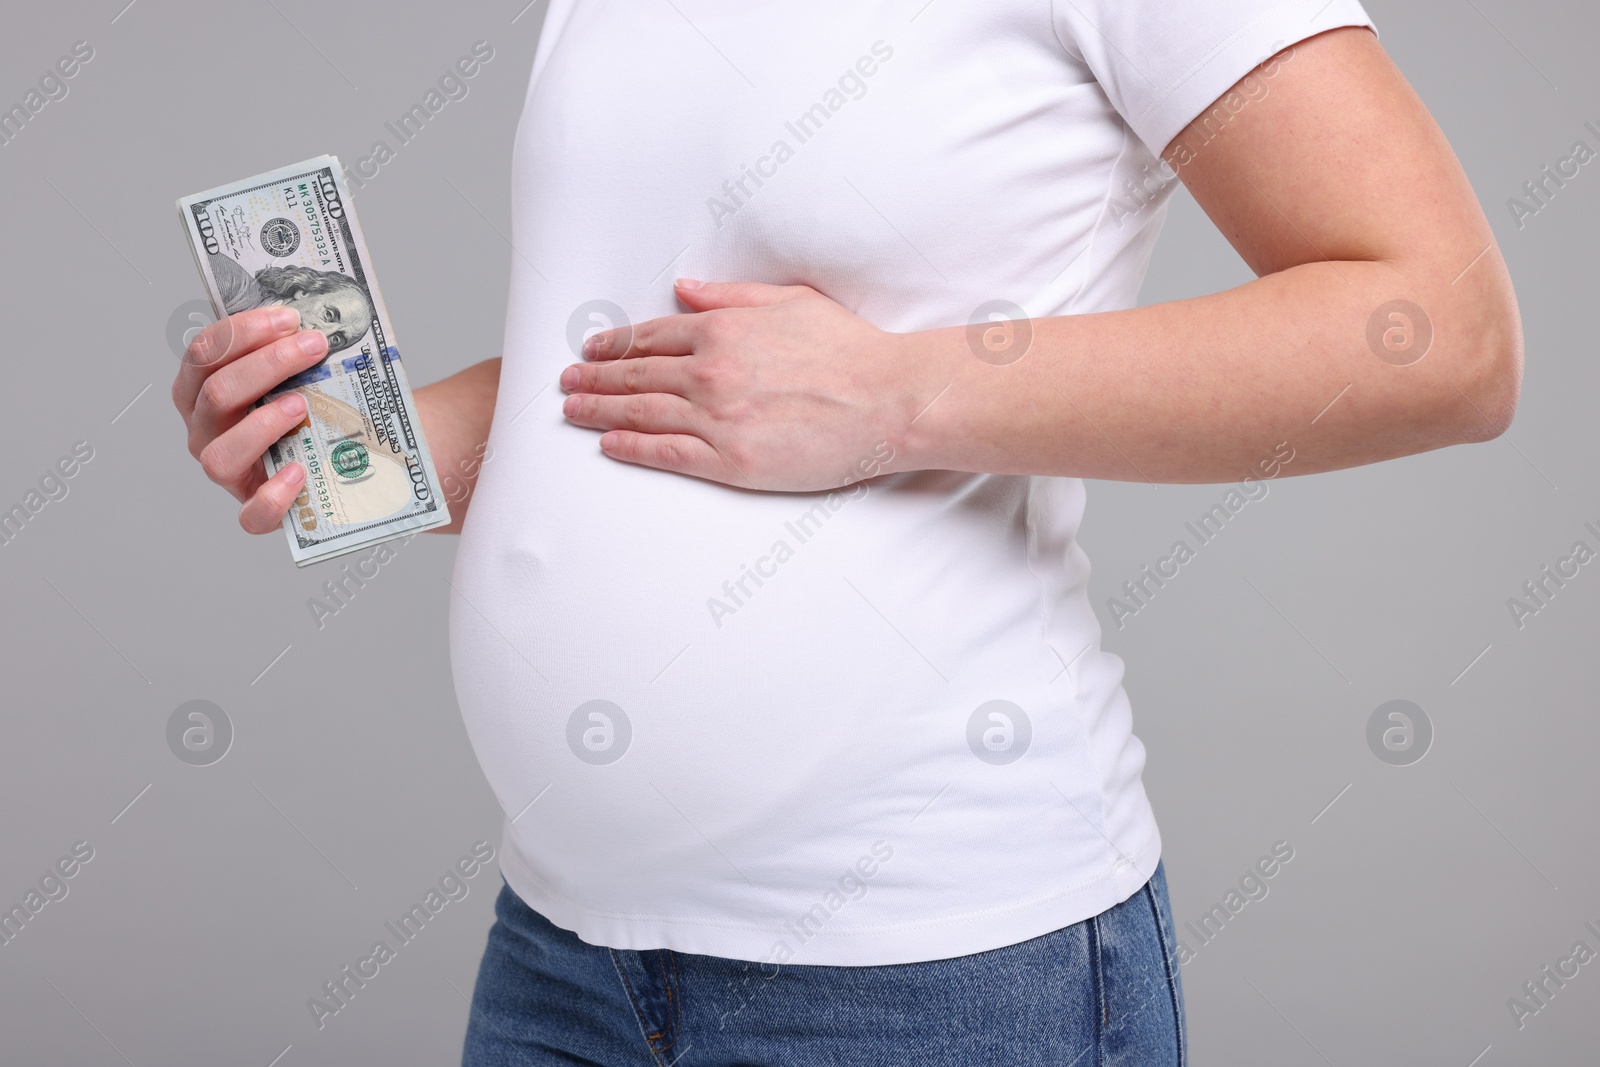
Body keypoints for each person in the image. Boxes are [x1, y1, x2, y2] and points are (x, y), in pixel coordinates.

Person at [171, 1, 1522, 1063]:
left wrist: (891, 396)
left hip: (935, 977)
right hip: (563, 954)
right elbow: (646, 377)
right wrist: (354, 441)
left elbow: (1444, 334)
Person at [206, 252, 373, 355]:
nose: (321, 334)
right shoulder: (229, 281)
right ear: (304, 291)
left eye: (337, 339)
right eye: (328, 315)